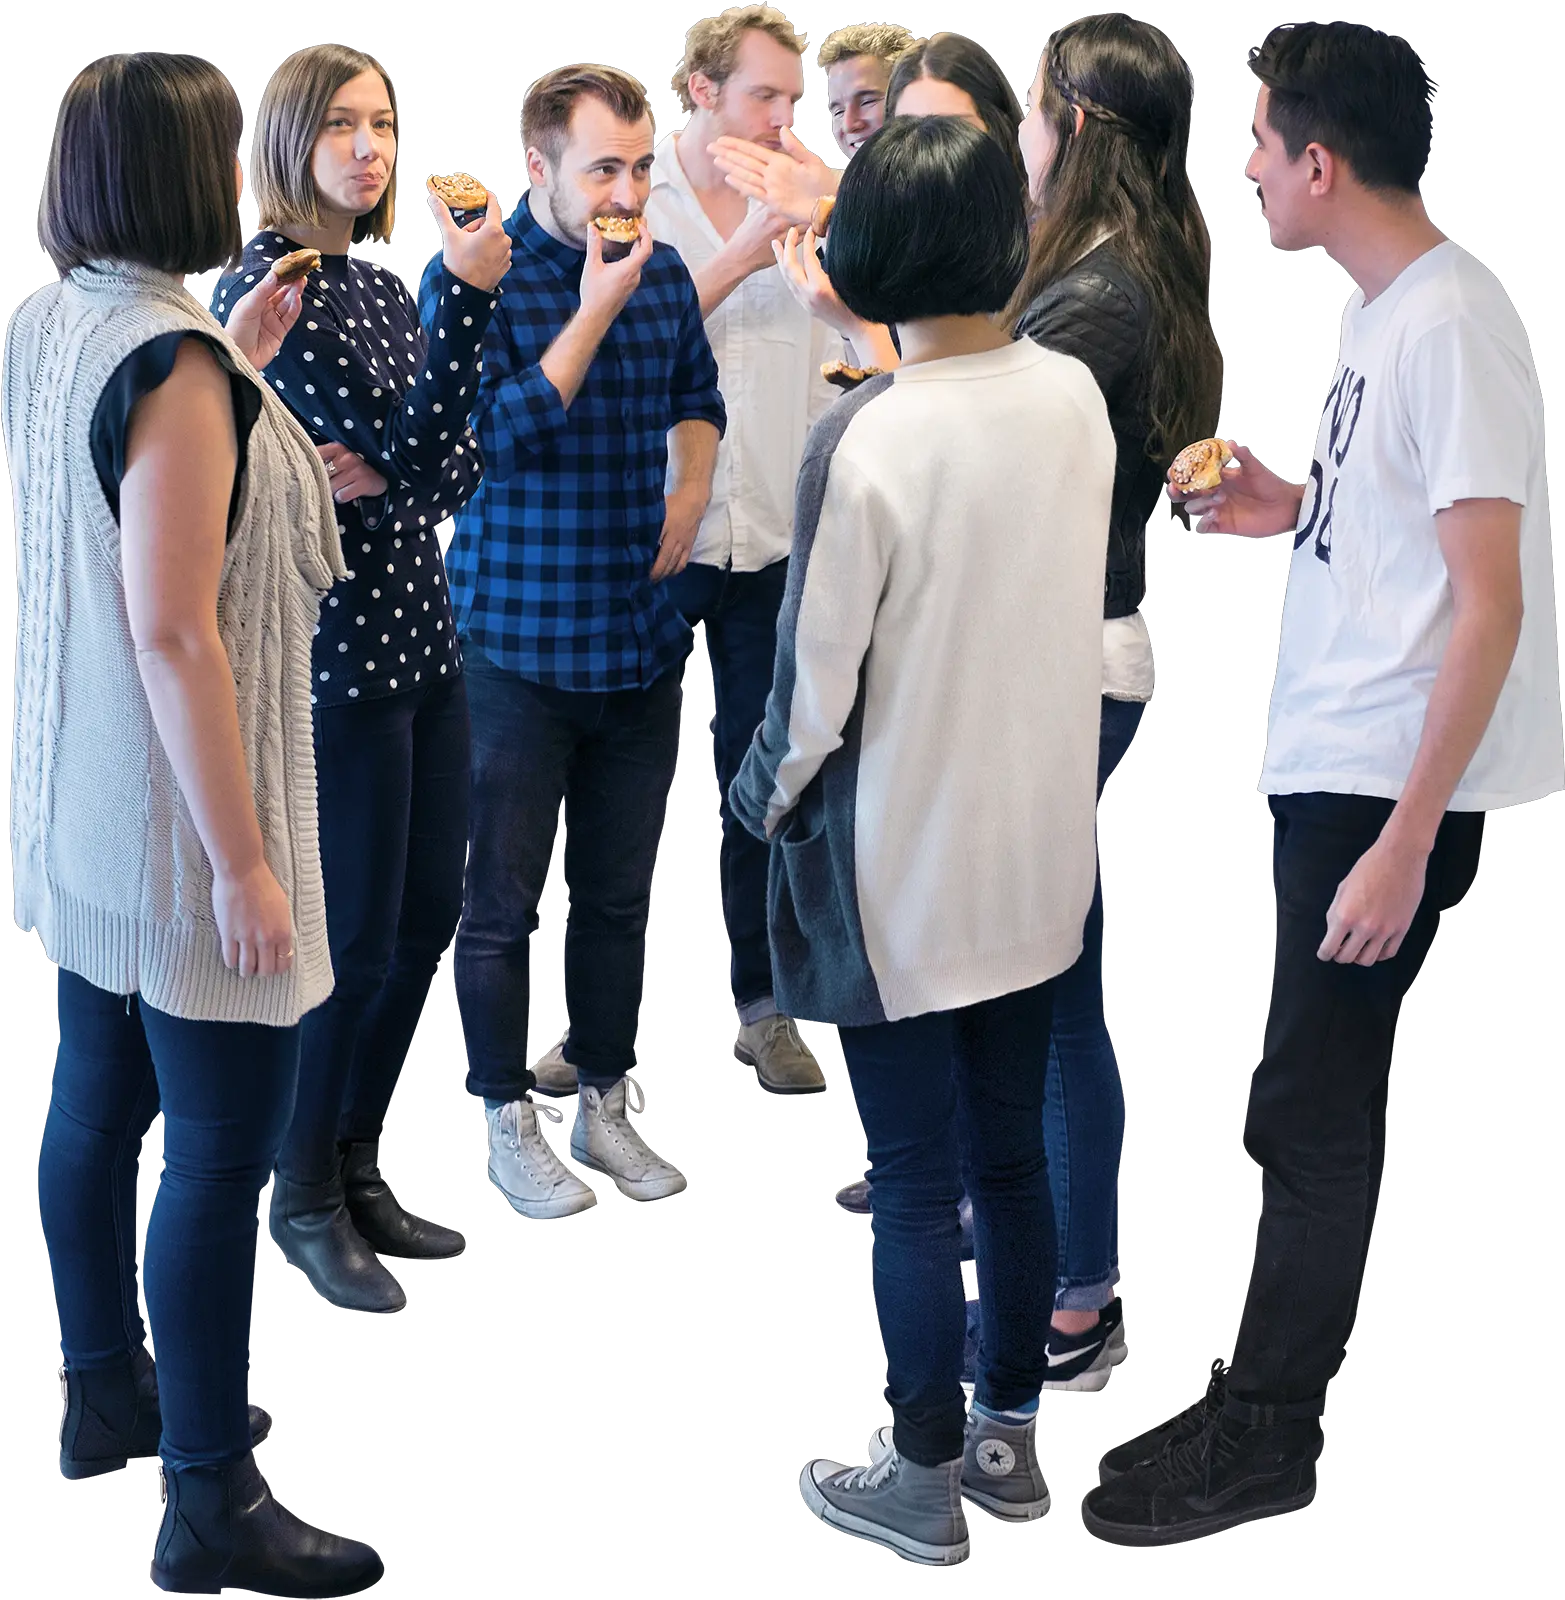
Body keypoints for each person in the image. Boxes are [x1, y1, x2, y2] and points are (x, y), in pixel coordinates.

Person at [1081, 21, 1562, 1548]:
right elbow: (1413, 535)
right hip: (1339, 768)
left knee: (1302, 1112)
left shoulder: (1451, 320)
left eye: (1256, 144)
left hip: (1384, 789)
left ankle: (1269, 1437)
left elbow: (1491, 602)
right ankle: (1258, 1407)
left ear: (1317, 161)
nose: (1242, 171)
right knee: (1301, 1103)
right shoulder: (1381, 314)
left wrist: (1405, 840)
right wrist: (1293, 508)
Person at [9, 49, 381, 1595]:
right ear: (177, 173)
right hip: (181, 826)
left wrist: (235, 352)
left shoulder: (57, 321)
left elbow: (118, 522)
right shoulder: (169, 365)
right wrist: (243, 863)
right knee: (221, 1157)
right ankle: (210, 1506)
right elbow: (175, 628)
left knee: (94, 1107)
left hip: (84, 802)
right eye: (227, 152)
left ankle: (105, 1400)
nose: (241, 176)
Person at [731, 114, 1116, 1568]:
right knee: (1007, 1160)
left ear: (869, 254)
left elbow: (808, 696)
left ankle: (921, 1477)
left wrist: (754, 802)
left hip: (903, 869)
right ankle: (1008, 1445)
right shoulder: (1070, 393)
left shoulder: (868, 435)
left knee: (908, 1177)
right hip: (1039, 854)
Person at [833, 15, 1226, 1396]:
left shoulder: (1097, 297)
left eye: (1035, 108)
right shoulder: (1098, 261)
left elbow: (977, 438)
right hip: (1058, 657)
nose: (1019, 134)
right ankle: (1025, 1239)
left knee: (1051, 998)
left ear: (1081, 129)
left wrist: (864, 323)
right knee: (1036, 981)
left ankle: (1078, 1293)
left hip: (1071, 663)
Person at [213, 43, 512, 1315]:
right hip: (336, 658)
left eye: (382, 123)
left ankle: (358, 1157)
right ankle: (300, 1193)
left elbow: (452, 460)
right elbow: (368, 466)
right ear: (289, 139)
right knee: (345, 945)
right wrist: (465, 314)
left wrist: (402, 461)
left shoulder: (386, 283)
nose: (369, 147)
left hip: (426, 643)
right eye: (340, 124)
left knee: (425, 919)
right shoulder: (267, 282)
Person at [420, 64, 725, 1217]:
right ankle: (506, 1114)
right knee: (498, 904)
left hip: (638, 645)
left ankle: (604, 1099)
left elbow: (698, 395)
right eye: (603, 169)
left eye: (640, 167)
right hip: (511, 648)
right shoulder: (476, 277)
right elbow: (488, 441)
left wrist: (690, 487)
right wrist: (594, 306)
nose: (628, 193)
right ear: (536, 166)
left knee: (615, 899)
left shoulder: (664, 270)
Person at [531, 8, 832, 1098]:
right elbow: (607, 339)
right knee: (615, 799)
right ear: (701, 92)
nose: (783, 118)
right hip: (651, 531)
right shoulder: (624, 192)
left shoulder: (817, 192)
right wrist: (750, 250)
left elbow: (848, 338)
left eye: (792, 98)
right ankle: (591, 1031)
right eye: (763, 95)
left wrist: (813, 216)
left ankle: (763, 1007)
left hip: (775, 533)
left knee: (765, 784)